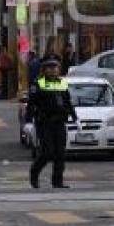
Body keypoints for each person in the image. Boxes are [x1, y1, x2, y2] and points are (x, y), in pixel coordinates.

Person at [27, 59, 78, 189]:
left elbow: (67, 100)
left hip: (59, 121)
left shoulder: (61, 83)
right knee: (47, 152)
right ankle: (34, 172)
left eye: (55, 68)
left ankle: (57, 181)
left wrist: (73, 115)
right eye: (50, 68)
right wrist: (28, 121)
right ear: (44, 71)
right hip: (45, 121)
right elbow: (31, 103)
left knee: (60, 153)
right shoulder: (38, 83)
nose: (53, 70)